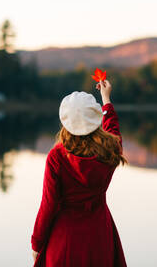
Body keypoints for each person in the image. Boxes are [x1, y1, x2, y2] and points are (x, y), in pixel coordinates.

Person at [31, 79, 128, 267]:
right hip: (99, 235)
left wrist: (37, 242)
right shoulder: (110, 150)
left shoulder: (57, 157)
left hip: (65, 238)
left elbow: (48, 205)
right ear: (95, 118)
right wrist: (106, 100)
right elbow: (113, 130)